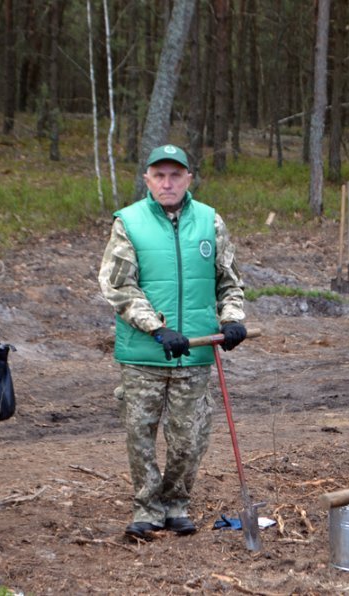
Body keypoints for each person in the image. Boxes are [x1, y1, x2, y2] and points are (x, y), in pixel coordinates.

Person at [98, 144, 248, 541]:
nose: (168, 183)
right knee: (140, 436)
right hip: (144, 354)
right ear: (147, 179)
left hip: (195, 353)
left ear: (188, 179)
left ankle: (176, 503)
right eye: (160, 175)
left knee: (189, 439)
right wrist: (156, 328)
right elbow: (118, 286)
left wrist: (232, 319)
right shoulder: (128, 222)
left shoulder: (210, 221)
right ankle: (146, 507)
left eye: (175, 175)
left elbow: (229, 281)